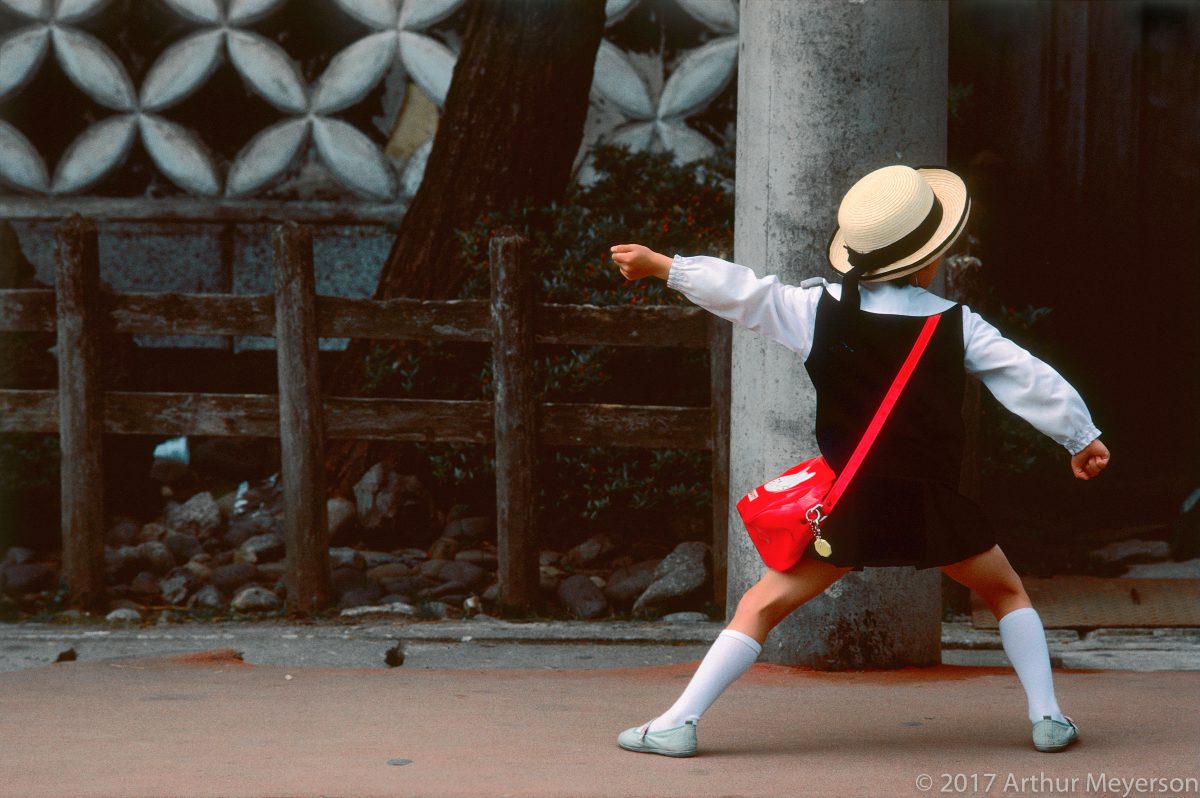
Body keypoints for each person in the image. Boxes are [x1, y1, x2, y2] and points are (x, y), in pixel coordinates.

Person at [608, 164, 1110, 758]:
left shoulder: (817, 310)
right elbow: (1028, 376)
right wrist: (1081, 437)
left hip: (850, 505)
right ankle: (1048, 715)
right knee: (1006, 593)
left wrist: (664, 266)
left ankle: (677, 722)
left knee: (761, 606)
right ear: (931, 256)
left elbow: (743, 292)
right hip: (932, 506)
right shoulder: (956, 325)